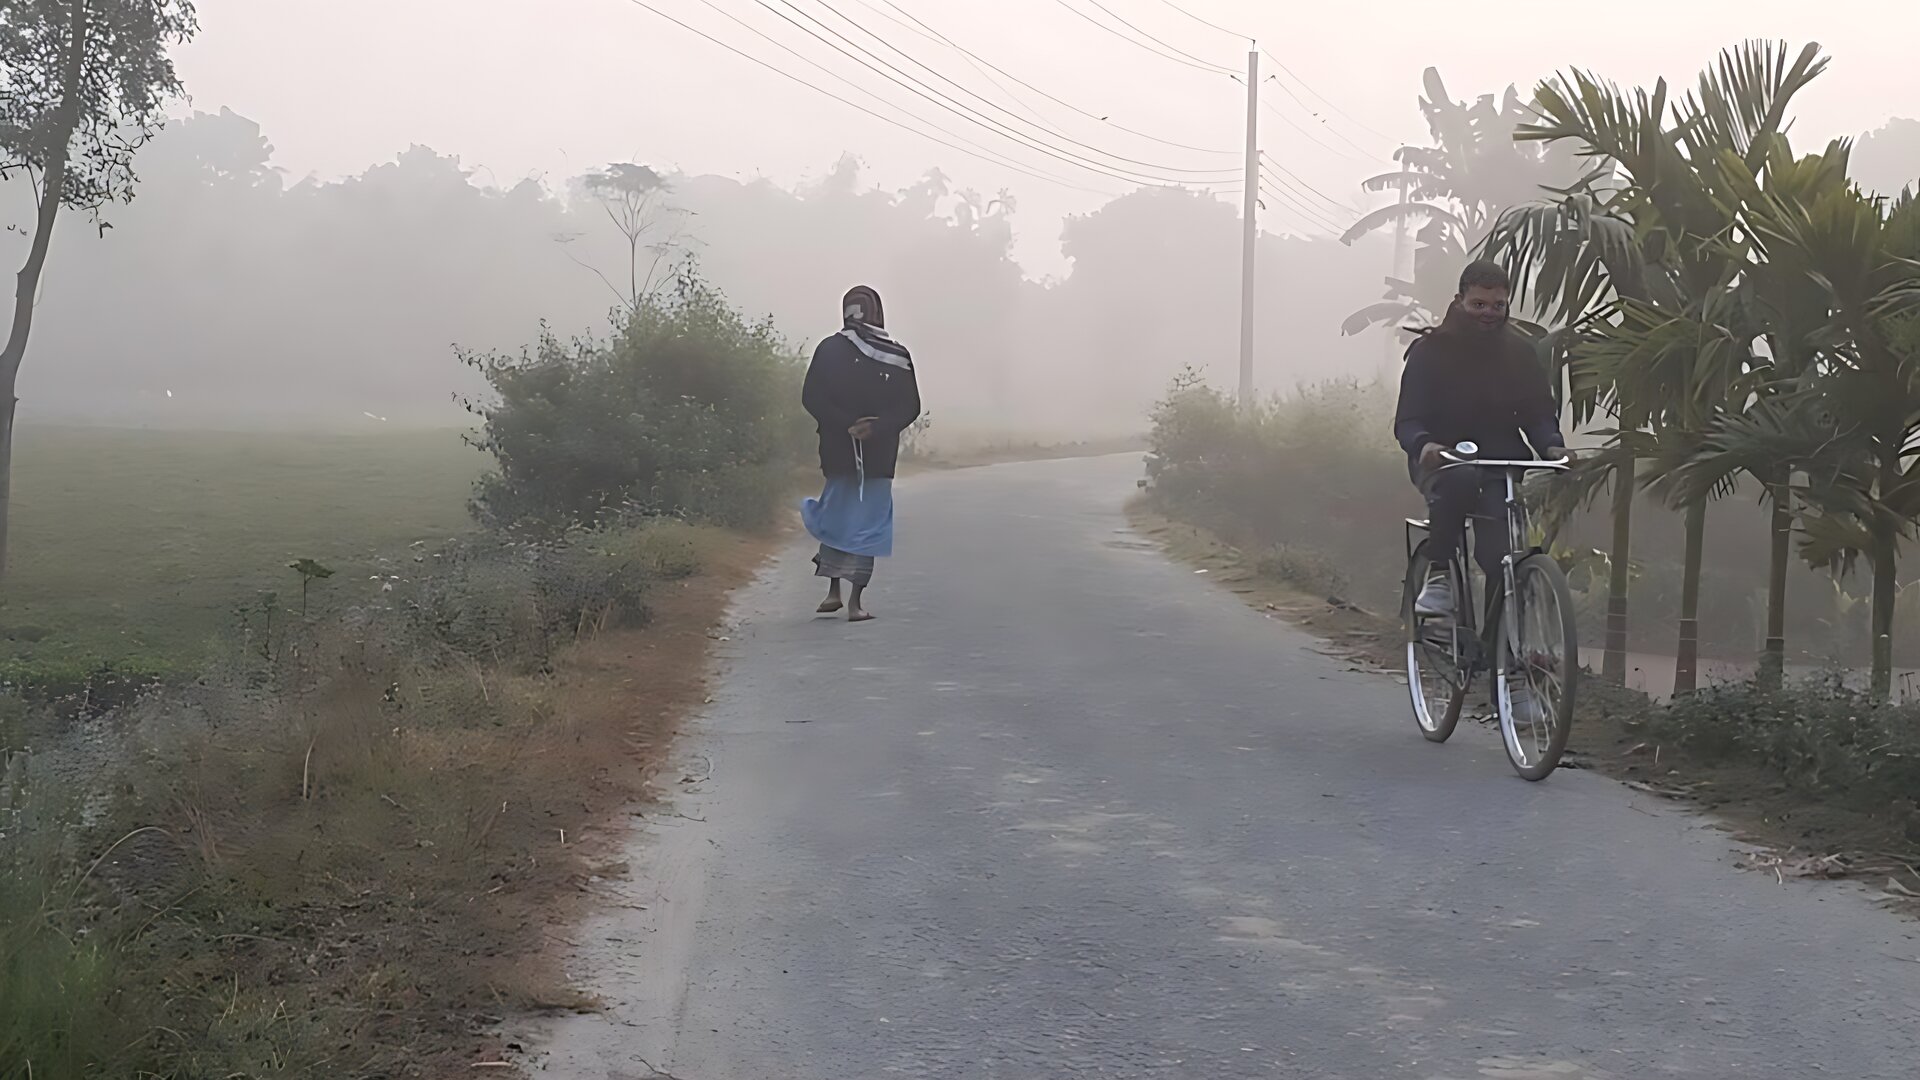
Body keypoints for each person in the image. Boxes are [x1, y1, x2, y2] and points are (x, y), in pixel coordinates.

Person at [1394, 260, 1568, 618]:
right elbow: (1408, 421)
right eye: (1479, 304)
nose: (1488, 313)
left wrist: (1551, 444)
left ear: (1507, 305)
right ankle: (1439, 573)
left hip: (1498, 465)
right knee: (1460, 479)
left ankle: (1500, 650)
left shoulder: (1520, 354)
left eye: (1498, 306)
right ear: (1460, 300)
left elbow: (1537, 412)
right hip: (1443, 463)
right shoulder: (1430, 351)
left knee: (1500, 556)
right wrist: (1425, 445)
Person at [800, 285, 922, 623]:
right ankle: (855, 604)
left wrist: (844, 425)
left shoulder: (828, 350)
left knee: (837, 519)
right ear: (877, 312)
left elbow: (811, 398)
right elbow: (910, 406)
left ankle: (832, 592)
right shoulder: (898, 355)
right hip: (879, 457)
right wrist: (877, 428)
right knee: (867, 526)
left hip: (838, 452)